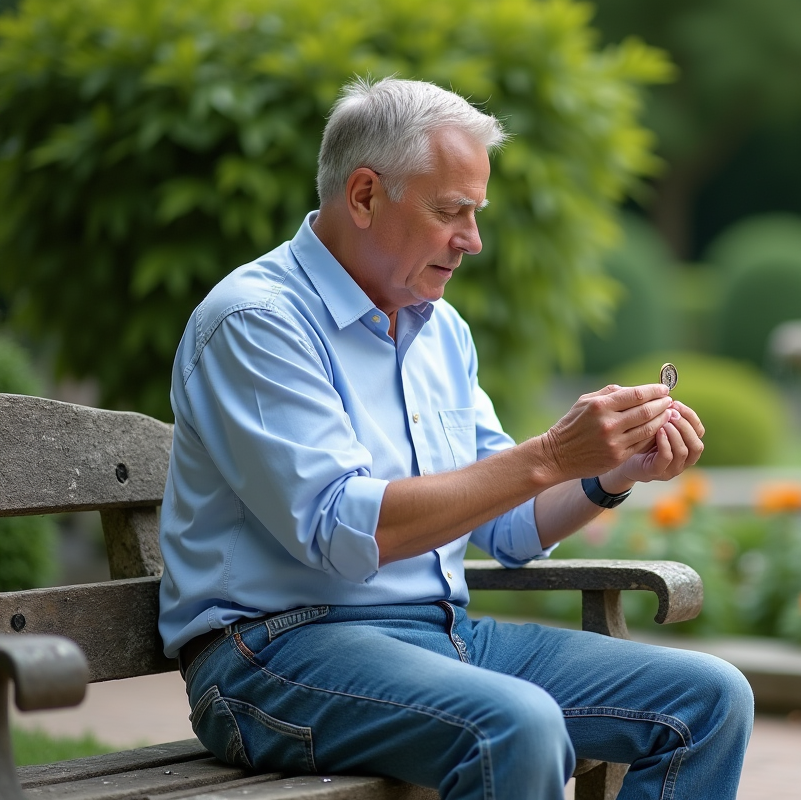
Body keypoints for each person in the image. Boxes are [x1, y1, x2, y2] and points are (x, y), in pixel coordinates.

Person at [158, 76, 753, 800]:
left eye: (476, 212)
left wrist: (608, 472)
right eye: (453, 211)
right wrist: (551, 455)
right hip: (276, 655)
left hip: (441, 636)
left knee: (711, 700)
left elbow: (508, 524)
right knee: (518, 725)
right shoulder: (256, 323)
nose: (472, 240)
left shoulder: (439, 329)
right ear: (366, 195)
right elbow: (342, 531)